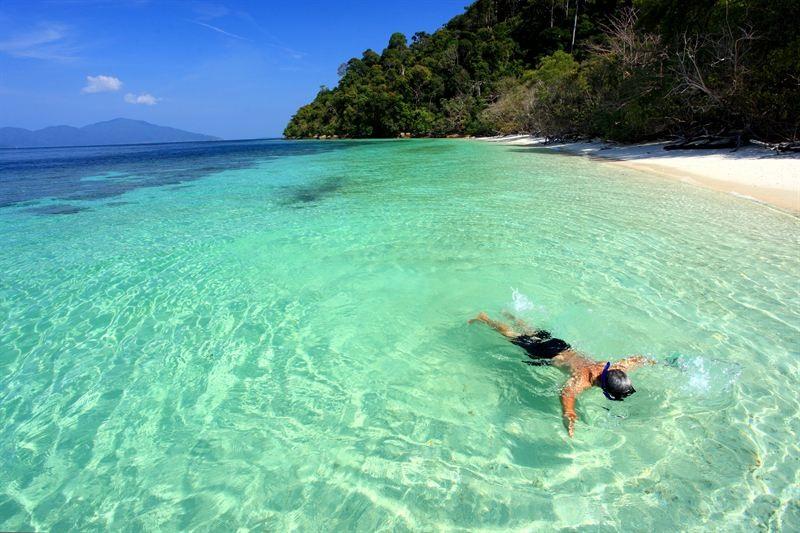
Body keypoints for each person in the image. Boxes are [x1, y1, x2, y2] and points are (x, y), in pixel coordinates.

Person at [469, 311, 653, 437]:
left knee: (532, 332)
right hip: (548, 354)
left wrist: (656, 362)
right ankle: (485, 319)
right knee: (512, 336)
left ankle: (510, 314)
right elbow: (567, 393)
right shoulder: (583, 381)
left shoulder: (608, 366)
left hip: (561, 345)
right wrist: (569, 413)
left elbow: (635, 360)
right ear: (605, 391)